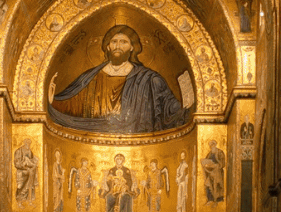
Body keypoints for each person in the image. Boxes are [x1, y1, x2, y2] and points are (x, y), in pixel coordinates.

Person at [48, 24, 190, 134]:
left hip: (139, 142)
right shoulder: (91, 77)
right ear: (108, 47)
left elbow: (169, 109)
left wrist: (187, 105)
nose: (118, 46)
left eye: (123, 42)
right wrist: (51, 100)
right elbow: (72, 104)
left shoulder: (149, 79)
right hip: (93, 133)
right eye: (114, 41)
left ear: (132, 48)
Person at [14, 138, 39, 204]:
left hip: (29, 172)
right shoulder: (19, 151)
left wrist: (34, 162)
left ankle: (27, 200)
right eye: (27, 143)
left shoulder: (30, 151)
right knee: (21, 186)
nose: (28, 145)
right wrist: (24, 166)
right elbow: (16, 163)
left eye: (29, 144)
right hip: (21, 172)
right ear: (24, 143)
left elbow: (31, 160)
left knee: (28, 186)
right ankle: (19, 201)